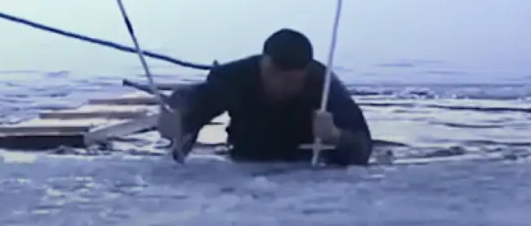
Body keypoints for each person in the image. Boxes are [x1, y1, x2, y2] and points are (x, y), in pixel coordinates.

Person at [158, 28, 372, 166]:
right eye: (281, 78)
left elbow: (363, 146)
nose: (286, 87)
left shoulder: (323, 84)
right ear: (264, 64)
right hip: (247, 160)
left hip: (305, 166)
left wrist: (336, 135)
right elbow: (195, 103)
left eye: (295, 81)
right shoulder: (233, 76)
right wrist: (178, 122)